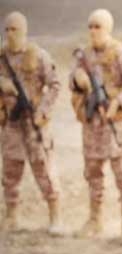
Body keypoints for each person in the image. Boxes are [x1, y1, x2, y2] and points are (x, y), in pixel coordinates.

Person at [70, 9, 122, 242]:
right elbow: (72, 83)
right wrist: (77, 79)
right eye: (90, 26)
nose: (93, 31)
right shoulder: (83, 56)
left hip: (115, 125)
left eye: (98, 26)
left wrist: (118, 102)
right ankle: (95, 220)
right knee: (93, 174)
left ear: (108, 28)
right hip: (91, 125)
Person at [0, 11, 62, 234]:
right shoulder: (1, 58)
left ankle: (55, 217)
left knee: (44, 170)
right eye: (7, 29)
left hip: (34, 123)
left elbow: (55, 85)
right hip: (11, 123)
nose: (10, 34)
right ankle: (11, 217)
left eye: (14, 29)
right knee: (10, 172)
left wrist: (43, 111)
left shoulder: (39, 56)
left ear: (24, 31)